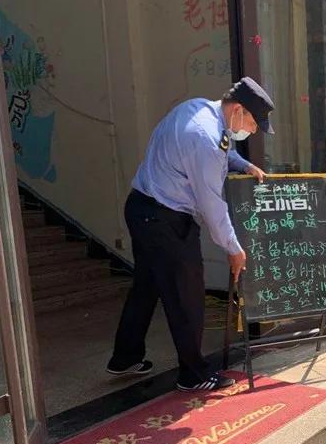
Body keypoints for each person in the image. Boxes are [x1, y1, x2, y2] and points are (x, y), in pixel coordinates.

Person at [106, 78, 275, 391]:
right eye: (253, 123)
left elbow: (222, 152)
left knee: (147, 284)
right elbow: (213, 206)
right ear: (238, 110)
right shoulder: (206, 139)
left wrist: (244, 164)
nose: (251, 131)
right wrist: (234, 249)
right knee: (187, 293)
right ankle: (193, 375)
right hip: (164, 218)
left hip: (141, 207)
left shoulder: (199, 109)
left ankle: (125, 357)